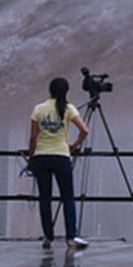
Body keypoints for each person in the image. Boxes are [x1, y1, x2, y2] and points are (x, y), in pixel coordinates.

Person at [26, 76, 90, 250]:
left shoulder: (39, 109)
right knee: (67, 197)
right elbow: (85, 130)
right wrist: (75, 145)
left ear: (50, 90)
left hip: (41, 157)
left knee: (44, 198)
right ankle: (71, 237)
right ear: (66, 92)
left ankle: (48, 236)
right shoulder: (69, 109)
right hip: (61, 156)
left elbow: (33, 138)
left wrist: (31, 157)